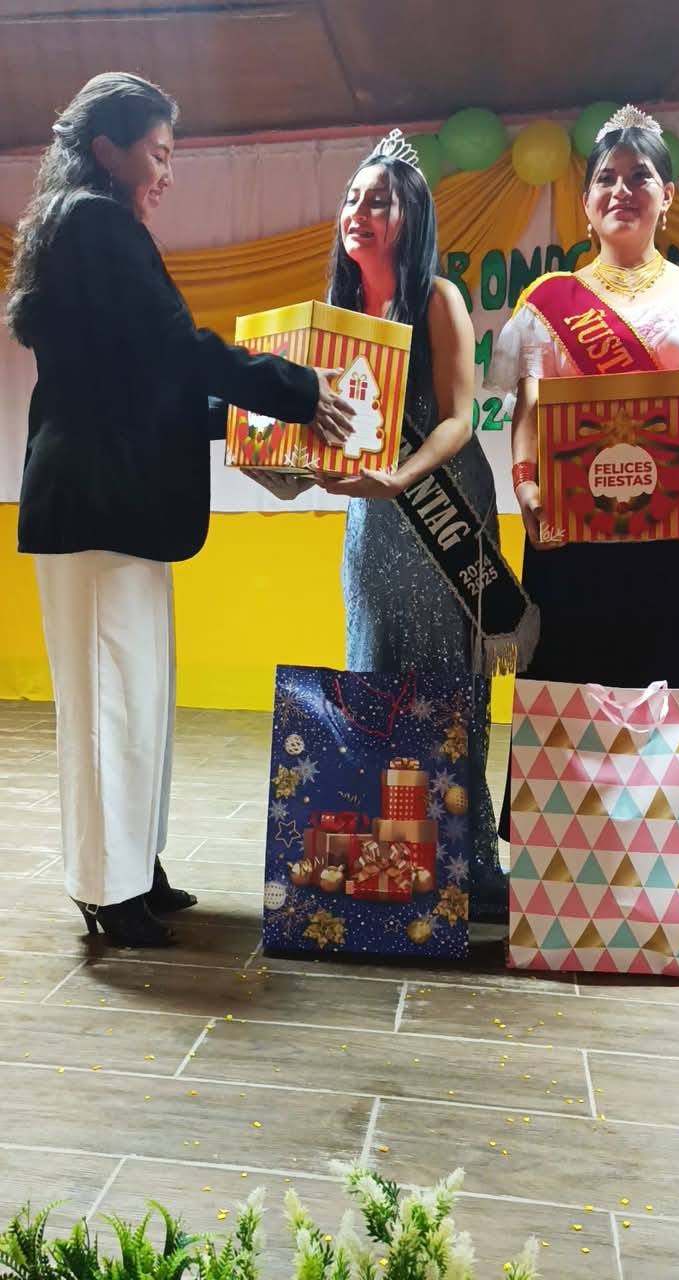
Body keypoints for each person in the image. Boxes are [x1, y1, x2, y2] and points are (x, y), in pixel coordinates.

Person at [6, 72, 354, 948]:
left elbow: (144, 381)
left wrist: (252, 426)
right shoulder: (98, 223)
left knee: (140, 697)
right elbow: (179, 350)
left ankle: (136, 868)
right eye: (157, 154)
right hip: (96, 503)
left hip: (116, 500)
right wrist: (297, 391)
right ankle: (105, 888)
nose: (166, 173)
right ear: (107, 150)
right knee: (108, 703)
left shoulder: (85, 226)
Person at [310, 131, 537, 922]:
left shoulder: (438, 297)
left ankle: (465, 866)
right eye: (352, 198)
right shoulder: (337, 317)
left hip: (442, 508)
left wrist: (403, 477)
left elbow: (458, 419)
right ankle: (393, 856)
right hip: (373, 520)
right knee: (375, 671)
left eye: (380, 200)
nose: (360, 211)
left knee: (446, 687)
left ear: (412, 216)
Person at [490, 105, 679, 834]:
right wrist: (525, 483)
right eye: (606, 179)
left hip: (672, 538)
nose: (622, 190)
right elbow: (530, 408)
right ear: (586, 201)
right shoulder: (547, 302)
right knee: (564, 693)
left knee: (666, 697)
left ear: (667, 196)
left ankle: (667, 864)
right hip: (571, 541)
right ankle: (554, 861)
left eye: (639, 176)